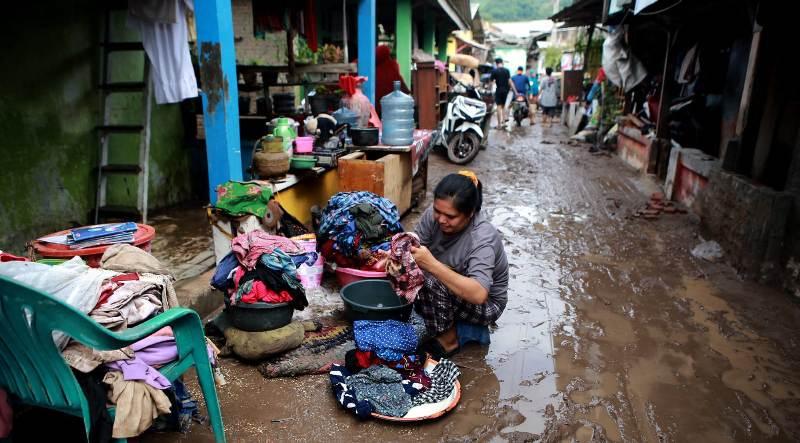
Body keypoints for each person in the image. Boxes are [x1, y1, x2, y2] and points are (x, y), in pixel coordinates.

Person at [411, 171, 509, 358]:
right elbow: (415, 246)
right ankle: (442, 320)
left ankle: (449, 340)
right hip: (453, 287)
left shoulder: (482, 237)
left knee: (430, 279)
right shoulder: (434, 216)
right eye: (437, 211)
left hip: (487, 304)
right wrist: (392, 256)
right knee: (407, 271)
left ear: (470, 213)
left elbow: (479, 294)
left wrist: (431, 264)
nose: (441, 219)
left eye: (450, 216)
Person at [375, 45, 409, 114]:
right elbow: (399, 82)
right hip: (393, 106)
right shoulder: (393, 65)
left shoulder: (373, 69)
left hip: (378, 106)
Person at [489, 58, 516, 128]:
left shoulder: (494, 71)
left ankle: (499, 125)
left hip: (498, 90)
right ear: (502, 63)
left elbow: (491, 82)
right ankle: (503, 122)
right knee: (503, 106)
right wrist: (515, 91)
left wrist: (489, 90)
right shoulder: (507, 70)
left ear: (496, 63)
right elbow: (510, 81)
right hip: (505, 91)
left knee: (498, 106)